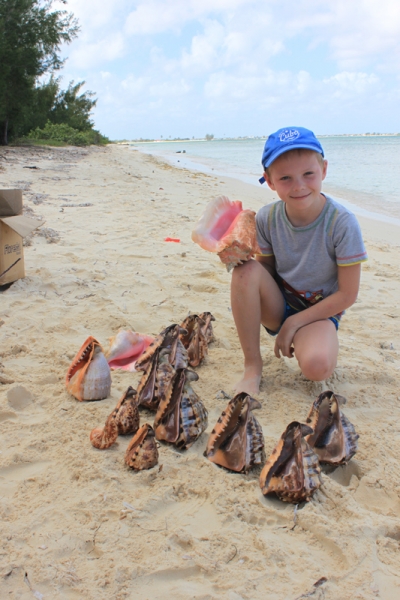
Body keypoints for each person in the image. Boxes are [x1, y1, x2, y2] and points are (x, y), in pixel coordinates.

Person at [231, 127, 367, 397]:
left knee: (317, 367)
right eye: (285, 178)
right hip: (279, 305)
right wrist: (238, 255)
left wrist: (294, 324)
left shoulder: (341, 222)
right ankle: (252, 367)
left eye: (308, 174)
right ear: (269, 181)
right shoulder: (267, 218)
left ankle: (313, 338)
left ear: (324, 170)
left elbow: (348, 294)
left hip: (320, 310)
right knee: (244, 271)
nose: (299, 186)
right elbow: (265, 271)